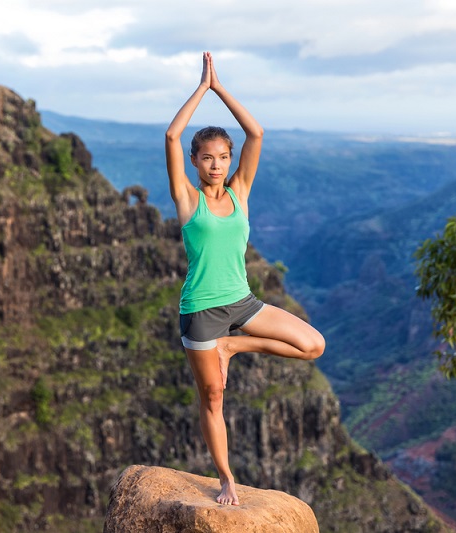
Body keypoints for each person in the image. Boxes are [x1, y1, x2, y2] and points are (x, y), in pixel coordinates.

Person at [165, 52, 325, 506]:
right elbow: (172, 134)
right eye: (207, 158)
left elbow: (256, 132)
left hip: (242, 303)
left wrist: (220, 88)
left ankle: (233, 345)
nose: (215, 165)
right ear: (195, 162)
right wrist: (200, 89)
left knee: (313, 345)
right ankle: (226, 478)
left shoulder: (239, 193)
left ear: (229, 160)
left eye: (222, 157)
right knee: (213, 397)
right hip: (200, 312)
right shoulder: (187, 199)